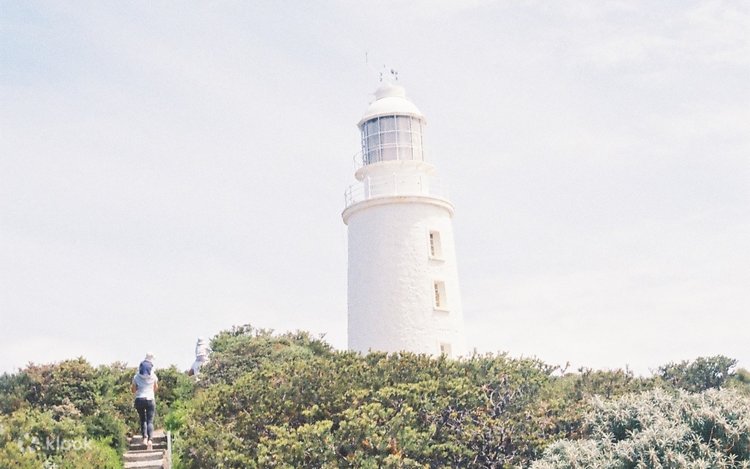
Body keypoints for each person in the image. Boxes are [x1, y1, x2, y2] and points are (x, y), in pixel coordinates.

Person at [131, 352, 158, 449]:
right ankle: (150, 440)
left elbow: (133, 390)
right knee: (150, 421)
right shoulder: (153, 376)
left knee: (143, 420)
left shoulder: (136, 376)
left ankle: (145, 439)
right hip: (150, 399)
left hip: (139, 399)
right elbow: (156, 388)